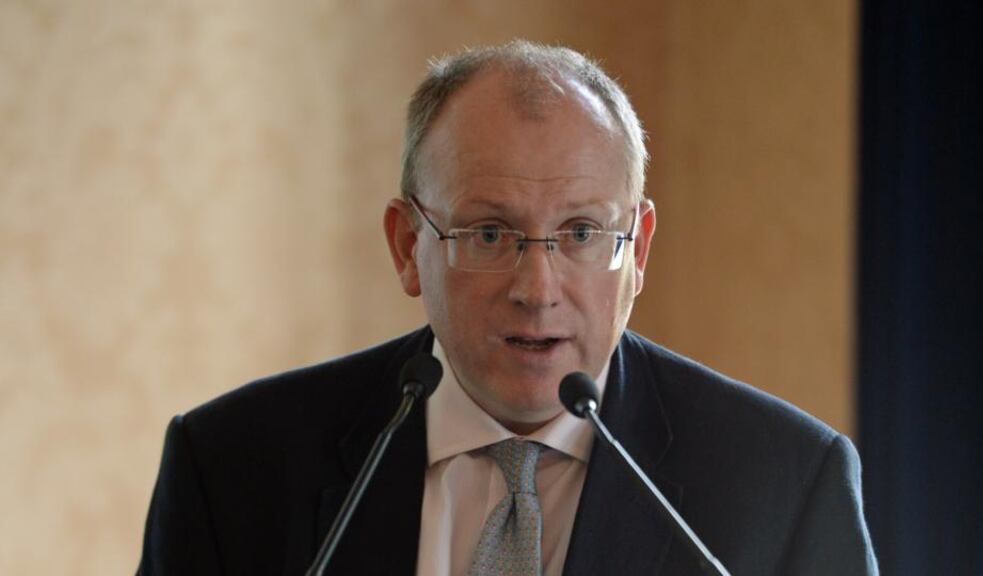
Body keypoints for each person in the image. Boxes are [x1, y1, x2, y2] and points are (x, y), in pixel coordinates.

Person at [138, 40, 878, 575]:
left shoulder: (782, 483)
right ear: (406, 245)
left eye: (582, 234)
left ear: (639, 249)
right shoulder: (234, 467)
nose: (538, 286)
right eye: (490, 233)